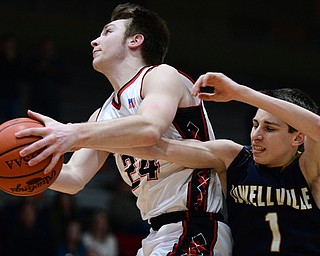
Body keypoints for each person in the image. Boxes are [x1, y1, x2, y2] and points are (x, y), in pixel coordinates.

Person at [16, 3, 233, 255]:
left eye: (107, 32)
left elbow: (150, 128)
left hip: (197, 225)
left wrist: (73, 133)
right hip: (156, 232)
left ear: (135, 40)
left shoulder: (160, 75)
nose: (94, 41)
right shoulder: (102, 114)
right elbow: (74, 177)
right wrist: (25, 167)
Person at [113, 72, 320, 255]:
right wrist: (88, 137)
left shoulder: (309, 168)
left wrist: (239, 92)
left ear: (298, 137)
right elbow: (157, 147)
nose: (256, 135)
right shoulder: (235, 158)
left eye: (270, 128)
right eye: (255, 125)